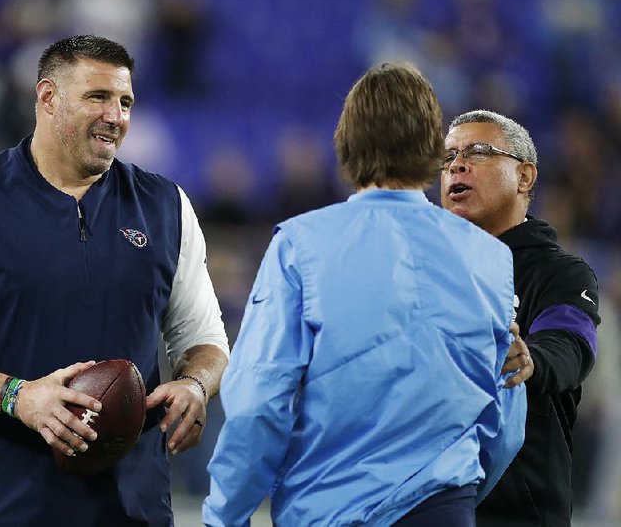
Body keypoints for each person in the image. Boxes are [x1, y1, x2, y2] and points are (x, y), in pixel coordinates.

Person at [0, 34, 229, 526]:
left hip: (132, 508)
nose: (116, 116)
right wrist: (18, 395)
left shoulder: (166, 207)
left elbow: (205, 342)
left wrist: (194, 383)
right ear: (47, 97)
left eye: (125, 102)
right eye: (97, 97)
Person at [203, 63, 529, 526]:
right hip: (443, 510)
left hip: (328, 510)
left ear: (346, 145)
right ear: (433, 150)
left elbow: (259, 403)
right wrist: (456, 497)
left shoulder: (300, 247)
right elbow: (505, 421)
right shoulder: (490, 260)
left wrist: (225, 516)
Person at [440, 109, 601, 526]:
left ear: (524, 177)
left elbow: (571, 342)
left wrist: (531, 358)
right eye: (449, 157)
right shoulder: (425, 271)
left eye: (478, 152)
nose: (457, 164)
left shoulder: (560, 273)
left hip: (517, 514)